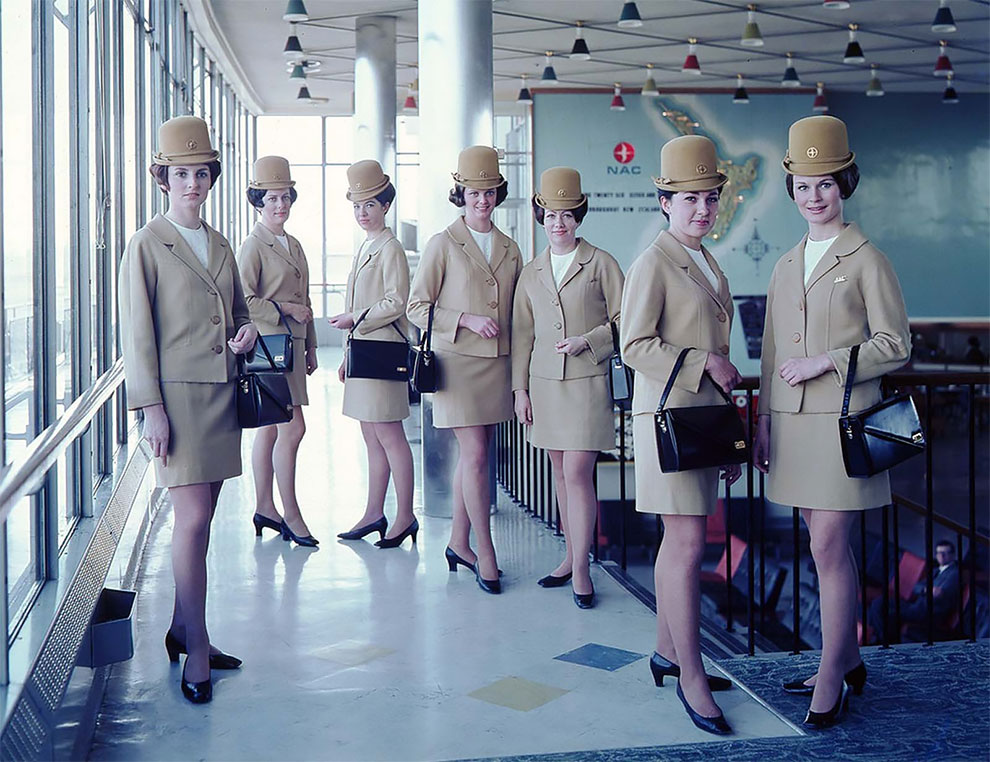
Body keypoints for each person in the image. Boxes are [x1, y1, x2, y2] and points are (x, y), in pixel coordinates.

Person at [753, 115, 911, 728]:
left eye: (825, 184)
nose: (813, 196)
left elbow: (895, 344)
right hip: (794, 426)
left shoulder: (867, 257)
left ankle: (831, 674)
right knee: (822, 548)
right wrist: (763, 421)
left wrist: (828, 360)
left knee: (827, 545)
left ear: (844, 183)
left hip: (845, 424)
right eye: (802, 185)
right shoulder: (786, 263)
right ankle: (844, 661)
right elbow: (768, 352)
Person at [118, 116, 258, 704]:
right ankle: (196, 647)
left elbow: (241, 309)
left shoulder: (221, 242)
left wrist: (247, 333)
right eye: (181, 174)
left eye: (200, 174)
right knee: (193, 519)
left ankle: (183, 626)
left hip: (221, 392)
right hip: (176, 400)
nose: (192, 184)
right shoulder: (147, 244)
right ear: (163, 178)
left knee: (204, 521)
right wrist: (150, 405)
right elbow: (136, 332)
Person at [620, 135, 740, 736]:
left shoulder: (704, 259)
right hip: (669, 421)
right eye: (690, 198)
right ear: (664, 201)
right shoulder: (655, 261)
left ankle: (668, 652)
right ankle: (692, 675)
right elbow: (633, 344)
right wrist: (703, 363)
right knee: (688, 543)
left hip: (699, 422)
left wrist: (727, 435)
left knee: (681, 541)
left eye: (710, 198)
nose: (702, 209)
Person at [407, 146, 522, 594]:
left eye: (489, 191)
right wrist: (466, 319)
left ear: (498, 193)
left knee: (476, 457)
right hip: (457, 364)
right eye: (474, 192)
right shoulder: (442, 243)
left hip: (497, 365)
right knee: (475, 456)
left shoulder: (510, 248)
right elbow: (417, 307)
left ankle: (458, 542)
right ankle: (486, 552)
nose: (482, 200)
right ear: (462, 192)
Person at [511, 167, 624, 609]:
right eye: (551, 215)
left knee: (577, 473)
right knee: (560, 472)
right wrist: (519, 391)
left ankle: (582, 569)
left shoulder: (602, 263)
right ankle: (570, 555)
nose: (559, 223)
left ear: (579, 217)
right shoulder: (532, 271)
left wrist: (590, 340)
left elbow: (626, 323)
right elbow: (522, 334)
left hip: (586, 384)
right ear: (541, 216)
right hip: (544, 386)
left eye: (567, 215)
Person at [330, 160, 417, 548]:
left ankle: (406, 516)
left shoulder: (391, 247)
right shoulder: (367, 246)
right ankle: (374, 512)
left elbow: (397, 302)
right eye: (357, 207)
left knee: (390, 435)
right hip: (365, 352)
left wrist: (356, 319)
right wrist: (349, 354)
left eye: (370, 205)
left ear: (385, 206)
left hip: (382, 353)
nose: (363, 213)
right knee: (371, 436)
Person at [238, 156, 319, 547]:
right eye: (271, 198)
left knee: (272, 430)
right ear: (257, 201)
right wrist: (284, 309)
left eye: (285, 197)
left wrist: (313, 345)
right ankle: (291, 513)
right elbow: (242, 300)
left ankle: (265, 507)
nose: (280, 206)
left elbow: (306, 298)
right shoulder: (253, 246)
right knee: (293, 427)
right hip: (270, 348)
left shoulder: (294, 243)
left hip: (293, 346)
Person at [867, 540, 961, 643]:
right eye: (939, 553)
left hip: (928, 612)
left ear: (953, 555)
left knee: (880, 606)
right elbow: (916, 587)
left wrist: (928, 590)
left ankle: (882, 640)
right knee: (878, 604)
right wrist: (925, 589)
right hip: (917, 606)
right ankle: (883, 639)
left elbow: (939, 593)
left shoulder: (954, 573)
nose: (941, 556)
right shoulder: (937, 571)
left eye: (945, 553)